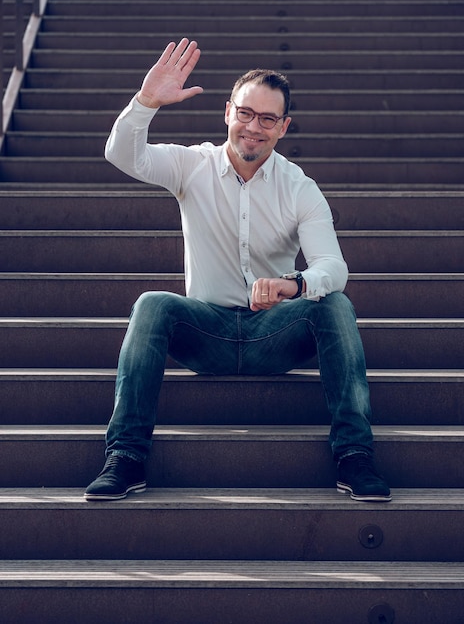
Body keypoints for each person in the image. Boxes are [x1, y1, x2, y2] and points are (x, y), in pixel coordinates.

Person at [85, 38, 391, 502]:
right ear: (228, 112)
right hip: (205, 332)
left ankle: (355, 456)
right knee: (152, 305)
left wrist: (294, 285)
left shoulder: (299, 187)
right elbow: (123, 156)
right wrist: (146, 102)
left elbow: (333, 266)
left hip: (274, 335)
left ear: (283, 127)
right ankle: (125, 457)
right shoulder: (192, 165)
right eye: (246, 113)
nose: (254, 127)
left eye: (268, 118)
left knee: (335, 306)